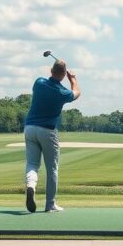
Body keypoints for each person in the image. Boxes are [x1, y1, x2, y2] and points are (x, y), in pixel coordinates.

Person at [22, 59, 80, 213]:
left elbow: (50, 79)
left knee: (32, 164)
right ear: (62, 75)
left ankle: (31, 186)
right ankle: (50, 204)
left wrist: (60, 72)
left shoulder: (39, 83)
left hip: (29, 128)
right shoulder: (62, 92)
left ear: (51, 70)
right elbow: (76, 93)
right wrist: (72, 79)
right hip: (47, 131)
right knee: (52, 168)